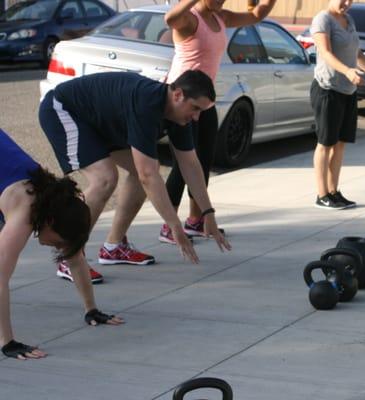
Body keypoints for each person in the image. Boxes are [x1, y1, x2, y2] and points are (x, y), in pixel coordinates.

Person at [38, 70, 231, 284]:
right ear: (177, 95)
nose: (196, 117)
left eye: (201, 111)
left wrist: (208, 213)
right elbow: (147, 175)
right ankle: (71, 255)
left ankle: (114, 246)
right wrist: (174, 225)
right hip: (64, 109)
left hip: (102, 121)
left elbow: (191, 165)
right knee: (105, 178)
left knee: (147, 168)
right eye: (195, 108)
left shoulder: (178, 116)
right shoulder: (146, 104)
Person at [159, 0, 277, 244]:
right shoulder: (190, 18)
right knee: (183, 164)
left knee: (203, 161)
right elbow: (170, 20)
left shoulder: (221, 16)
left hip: (204, 102)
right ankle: (168, 226)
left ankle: (195, 220)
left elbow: (256, 14)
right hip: (182, 102)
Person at [0, 128, 122, 360]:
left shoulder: (57, 202)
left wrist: (91, 309)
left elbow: (75, 258)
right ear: (50, 222)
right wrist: (8, 343)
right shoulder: (23, 213)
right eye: (58, 243)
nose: (56, 247)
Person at [310, 0, 365, 210]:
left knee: (340, 143)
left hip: (348, 90)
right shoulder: (323, 19)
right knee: (325, 143)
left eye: (350, 0)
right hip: (328, 89)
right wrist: (347, 71)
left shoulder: (349, 20)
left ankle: (334, 192)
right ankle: (322, 194)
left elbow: (357, 53)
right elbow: (326, 53)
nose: (347, 3)